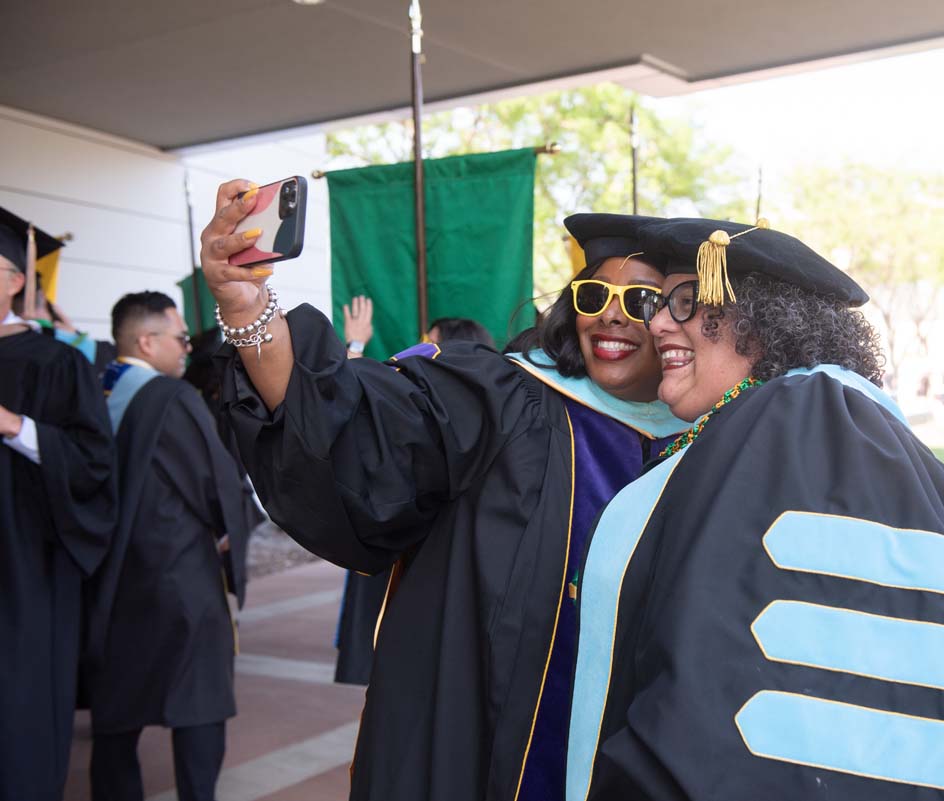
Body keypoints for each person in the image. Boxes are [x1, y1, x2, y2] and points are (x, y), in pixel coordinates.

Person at [200, 177, 687, 801]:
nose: (611, 313)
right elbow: (355, 423)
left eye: (642, 299)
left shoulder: (706, 439)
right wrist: (247, 307)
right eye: (594, 294)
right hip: (481, 750)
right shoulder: (506, 400)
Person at [565, 218, 944, 801]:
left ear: (763, 320)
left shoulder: (811, 425)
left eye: (687, 301)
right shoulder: (794, 429)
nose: (657, 324)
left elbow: (769, 710)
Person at [84, 291, 252, 801]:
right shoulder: (170, 398)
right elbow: (216, 483)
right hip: (178, 573)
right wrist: (231, 529)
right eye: (179, 338)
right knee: (198, 698)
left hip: (108, 576)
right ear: (146, 340)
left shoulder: (92, 387)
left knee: (115, 711)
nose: (185, 349)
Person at [0, 208, 118, 801]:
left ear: (17, 280)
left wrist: (14, 424)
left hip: (25, 570)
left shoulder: (56, 362)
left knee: (15, 712)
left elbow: (96, 462)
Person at [334, 311, 498, 687]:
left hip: (421, 572)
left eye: (430, 341)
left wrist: (356, 347)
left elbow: (350, 411)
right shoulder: (489, 413)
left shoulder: (446, 415)